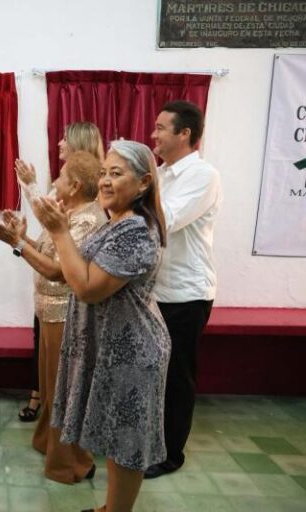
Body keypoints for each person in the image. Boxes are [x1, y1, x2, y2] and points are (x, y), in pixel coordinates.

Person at [33, 140, 170, 512]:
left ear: (143, 183)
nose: (106, 181)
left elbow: (89, 289)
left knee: (126, 443)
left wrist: (59, 232)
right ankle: (109, 508)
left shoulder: (136, 230)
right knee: (114, 437)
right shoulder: (115, 223)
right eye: (104, 172)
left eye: (117, 173)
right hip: (110, 348)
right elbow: (69, 270)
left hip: (132, 351)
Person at [0, 151, 107, 483]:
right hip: (48, 313)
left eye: (60, 176)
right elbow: (40, 253)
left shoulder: (88, 219)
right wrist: (17, 241)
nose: (54, 180)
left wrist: (18, 243)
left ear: (76, 185)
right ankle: (48, 441)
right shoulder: (69, 212)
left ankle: (71, 463)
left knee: (62, 392)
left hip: (66, 316)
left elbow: (59, 272)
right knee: (51, 388)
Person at [145, 100, 222, 479]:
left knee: (177, 377)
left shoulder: (202, 175)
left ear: (184, 134)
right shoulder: (162, 173)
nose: (154, 134)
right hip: (158, 291)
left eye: (161, 128)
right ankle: (150, 442)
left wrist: (133, 185)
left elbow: (165, 220)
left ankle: (171, 454)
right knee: (155, 374)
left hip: (186, 294)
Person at [12, 121, 105, 422]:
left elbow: (59, 265)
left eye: (65, 138)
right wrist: (24, 240)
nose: (59, 143)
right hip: (48, 295)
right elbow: (51, 229)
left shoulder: (90, 207)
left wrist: (30, 186)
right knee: (46, 356)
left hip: (66, 300)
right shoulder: (71, 185)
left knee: (61, 370)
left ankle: (61, 431)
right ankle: (44, 406)